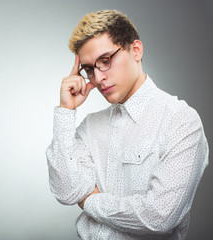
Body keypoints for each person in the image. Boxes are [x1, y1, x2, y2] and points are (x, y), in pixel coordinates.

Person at [46, 9, 209, 240]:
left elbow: (159, 217)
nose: (98, 78)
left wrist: (91, 201)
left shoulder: (180, 121)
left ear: (136, 50)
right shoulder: (90, 126)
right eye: (90, 69)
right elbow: (65, 191)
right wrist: (66, 111)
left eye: (105, 61)